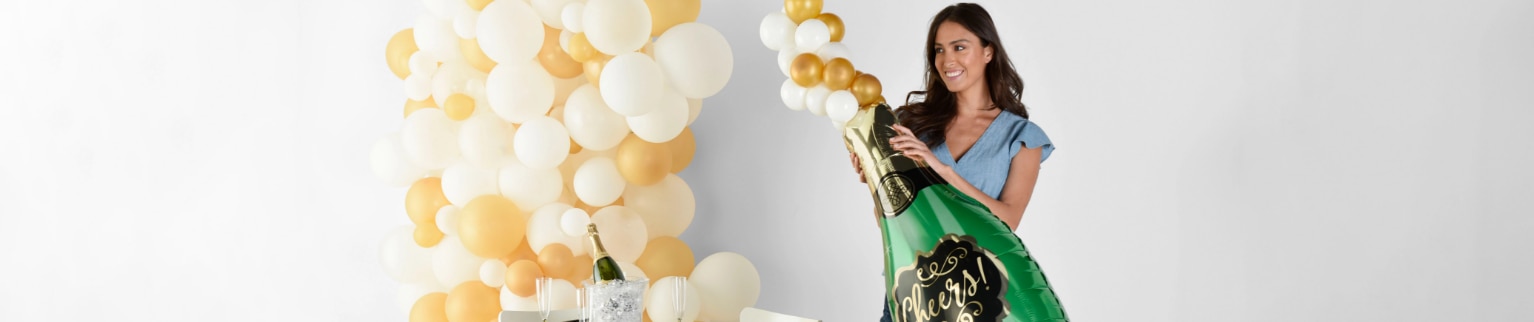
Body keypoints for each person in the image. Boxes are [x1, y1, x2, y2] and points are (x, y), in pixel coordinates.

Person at [848, 3, 1055, 321]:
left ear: (988, 52)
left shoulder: (1021, 136)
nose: (947, 61)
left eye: (960, 47)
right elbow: (893, 221)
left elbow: (1008, 221)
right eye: (939, 50)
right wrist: (876, 180)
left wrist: (940, 169)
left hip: (979, 303)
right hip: (912, 294)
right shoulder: (911, 123)